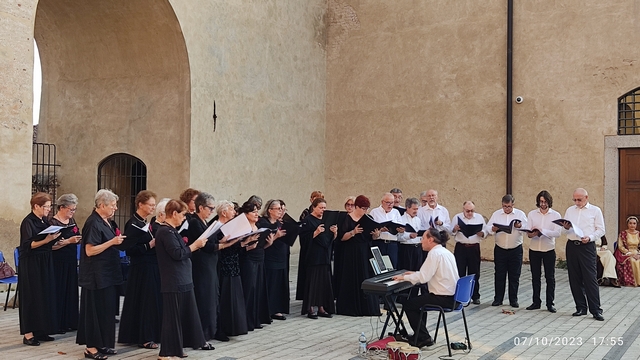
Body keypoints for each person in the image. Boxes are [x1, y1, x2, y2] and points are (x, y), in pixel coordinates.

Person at [155, 199, 215, 359]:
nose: (184, 218)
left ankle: (177, 348)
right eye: (182, 214)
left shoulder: (172, 230)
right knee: (172, 318)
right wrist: (196, 245)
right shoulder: (164, 232)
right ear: (174, 213)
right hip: (173, 281)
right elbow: (178, 254)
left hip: (183, 280)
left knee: (182, 316)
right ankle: (166, 352)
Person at [77, 189, 125, 359]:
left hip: (108, 274)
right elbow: (90, 250)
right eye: (113, 205)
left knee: (107, 311)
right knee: (95, 312)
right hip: (95, 276)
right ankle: (91, 348)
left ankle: (103, 343)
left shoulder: (106, 222)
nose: (115, 208)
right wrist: (112, 242)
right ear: (102, 205)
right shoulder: (93, 223)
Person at [392, 229, 459, 349]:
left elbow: (423, 278)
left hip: (443, 297)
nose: (421, 241)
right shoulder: (445, 251)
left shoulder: (434, 254)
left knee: (409, 304)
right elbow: (428, 273)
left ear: (430, 239)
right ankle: (419, 335)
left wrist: (404, 277)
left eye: (423, 238)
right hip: (454, 296)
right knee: (419, 301)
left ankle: (424, 337)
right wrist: (413, 274)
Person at [117, 190, 161, 349]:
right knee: (144, 303)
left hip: (149, 267)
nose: (153, 208)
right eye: (150, 205)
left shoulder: (144, 222)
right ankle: (144, 336)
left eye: (154, 205)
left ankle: (144, 334)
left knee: (146, 302)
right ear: (140, 204)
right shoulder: (133, 224)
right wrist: (149, 245)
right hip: (141, 269)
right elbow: (129, 249)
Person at [19, 192, 60, 346]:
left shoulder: (44, 221)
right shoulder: (28, 222)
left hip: (44, 260)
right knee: (31, 296)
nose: (49, 210)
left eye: (50, 207)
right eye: (46, 207)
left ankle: (41, 329)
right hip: (31, 262)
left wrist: (57, 240)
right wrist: (47, 239)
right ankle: (28, 334)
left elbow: (47, 240)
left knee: (44, 294)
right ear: (36, 206)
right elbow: (28, 245)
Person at [560, 188, 605, 321]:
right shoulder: (570, 210)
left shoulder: (595, 210)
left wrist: (590, 237)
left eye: (579, 199)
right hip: (572, 245)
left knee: (590, 278)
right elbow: (563, 231)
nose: (577, 202)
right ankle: (580, 307)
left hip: (587, 246)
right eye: (575, 199)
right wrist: (565, 228)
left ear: (586, 198)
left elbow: (601, 229)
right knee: (574, 277)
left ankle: (596, 310)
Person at [185, 192, 223, 341]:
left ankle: (210, 330)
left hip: (210, 264)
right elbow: (206, 246)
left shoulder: (204, 222)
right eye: (210, 208)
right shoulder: (194, 222)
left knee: (211, 297)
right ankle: (203, 333)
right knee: (204, 298)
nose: (212, 211)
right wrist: (223, 244)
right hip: (201, 266)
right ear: (200, 207)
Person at [335, 195, 380, 316]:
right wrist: (353, 232)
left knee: (366, 276)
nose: (365, 211)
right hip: (351, 252)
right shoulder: (347, 218)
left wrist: (376, 234)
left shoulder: (368, 218)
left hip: (365, 251)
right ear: (357, 207)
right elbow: (342, 238)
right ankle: (350, 307)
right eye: (363, 208)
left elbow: (373, 237)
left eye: (367, 208)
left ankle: (367, 307)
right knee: (351, 278)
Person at [217, 201, 256, 337]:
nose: (234, 212)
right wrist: (231, 242)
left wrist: (244, 242)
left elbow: (234, 247)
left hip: (234, 264)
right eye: (232, 210)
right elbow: (218, 246)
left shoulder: (231, 225)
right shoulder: (218, 226)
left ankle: (234, 327)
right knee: (226, 297)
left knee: (235, 296)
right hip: (224, 266)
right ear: (224, 212)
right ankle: (223, 328)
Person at [486, 194, 527, 308]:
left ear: (513, 205)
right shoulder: (496, 214)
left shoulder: (520, 214)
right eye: (504, 206)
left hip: (515, 249)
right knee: (499, 274)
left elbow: (527, 230)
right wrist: (493, 229)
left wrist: (519, 226)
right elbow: (488, 228)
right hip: (500, 249)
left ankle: (513, 299)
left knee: (514, 275)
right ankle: (498, 299)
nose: (507, 209)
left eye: (509, 206)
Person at [524, 191, 561, 313]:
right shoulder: (532, 214)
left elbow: (557, 233)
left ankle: (550, 303)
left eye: (545, 202)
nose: (543, 204)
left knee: (550, 277)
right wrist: (532, 233)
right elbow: (528, 232)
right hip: (534, 248)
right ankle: (536, 301)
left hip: (548, 249)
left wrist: (543, 231)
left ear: (549, 202)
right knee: (535, 277)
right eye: (541, 201)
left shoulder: (555, 215)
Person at [50, 193, 82, 333]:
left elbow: (76, 234)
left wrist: (77, 239)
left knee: (71, 290)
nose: (72, 212)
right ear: (61, 207)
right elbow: (51, 245)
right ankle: (59, 323)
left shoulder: (71, 221)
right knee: (59, 291)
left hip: (70, 260)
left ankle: (71, 321)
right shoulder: (52, 223)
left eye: (74, 209)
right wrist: (68, 241)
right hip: (57, 261)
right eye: (71, 209)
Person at [239, 201, 275, 330]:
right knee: (250, 289)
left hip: (260, 259)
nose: (256, 214)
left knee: (259, 288)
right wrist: (248, 247)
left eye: (256, 211)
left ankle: (256, 319)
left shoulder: (258, 226)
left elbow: (260, 246)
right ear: (245, 214)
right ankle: (247, 321)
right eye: (253, 212)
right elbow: (239, 249)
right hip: (248, 260)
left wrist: (268, 244)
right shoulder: (243, 228)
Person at [300, 198, 337, 319]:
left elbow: (328, 240)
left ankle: (322, 307)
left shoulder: (326, 220)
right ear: (314, 207)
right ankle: (310, 308)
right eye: (321, 208)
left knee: (323, 282)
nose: (323, 210)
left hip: (324, 256)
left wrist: (334, 233)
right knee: (312, 282)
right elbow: (304, 240)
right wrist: (315, 233)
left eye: (324, 208)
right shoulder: (307, 220)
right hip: (313, 256)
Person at [450, 201, 486, 305]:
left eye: (472, 211)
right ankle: (460, 296)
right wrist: (455, 229)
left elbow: (485, 231)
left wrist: (482, 233)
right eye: (467, 211)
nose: (470, 213)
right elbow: (451, 232)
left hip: (474, 247)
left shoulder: (479, 218)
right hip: (461, 247)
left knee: (474, 272)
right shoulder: (457, 217)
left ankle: (475, 296)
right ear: (463, 210)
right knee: (460, 272)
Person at [259, 200, 290, 321]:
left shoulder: (279, 223)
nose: (280, 211)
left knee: (279, 283)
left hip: (281, 255)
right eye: (278, 209)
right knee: (271, 283)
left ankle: (277, 309)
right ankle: (268, 310)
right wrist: (276, 236)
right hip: (269, 256)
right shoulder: (263, 223)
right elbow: (264, 242)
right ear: (269, 210)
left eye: (281, 209)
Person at [296, 190, 325, 300]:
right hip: (310, 250)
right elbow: (303, 234)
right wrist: (316, 232)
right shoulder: (306, 215)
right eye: (315, 198)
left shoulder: (324, 216)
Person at [369, 193, 404, 268]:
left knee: (392, 267)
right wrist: (380, 230)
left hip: (392, 244)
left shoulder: (396, 212)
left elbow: (400, 228)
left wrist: (401, 230)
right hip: (379, 243)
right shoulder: (374, 212)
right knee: (380, 267)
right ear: (382, 202)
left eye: (392, 203)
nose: (390, 205)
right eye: (388, 202)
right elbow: (370, 229)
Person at [397, 197, 424, 272]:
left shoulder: (418, 219)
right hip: (406, 249)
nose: (416, 211)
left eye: (417, 209)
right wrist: (409, 236)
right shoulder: (400, 219)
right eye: (414, 209)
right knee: (407, 271)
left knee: (417, 271)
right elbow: (398, 237)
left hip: (418, 248)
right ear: (407, 208)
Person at [615, 216, 640, 286]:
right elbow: (620, 246)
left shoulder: (639, 234)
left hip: (637, 252)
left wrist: (638, 254)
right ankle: (633, 282)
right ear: (627, 224)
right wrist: (629, 253)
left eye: (634, 223)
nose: (632, 225)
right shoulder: (623, 234)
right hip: (627, 252)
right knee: (632, 261)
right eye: (630, 223)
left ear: (636, 224)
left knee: (638, 260)